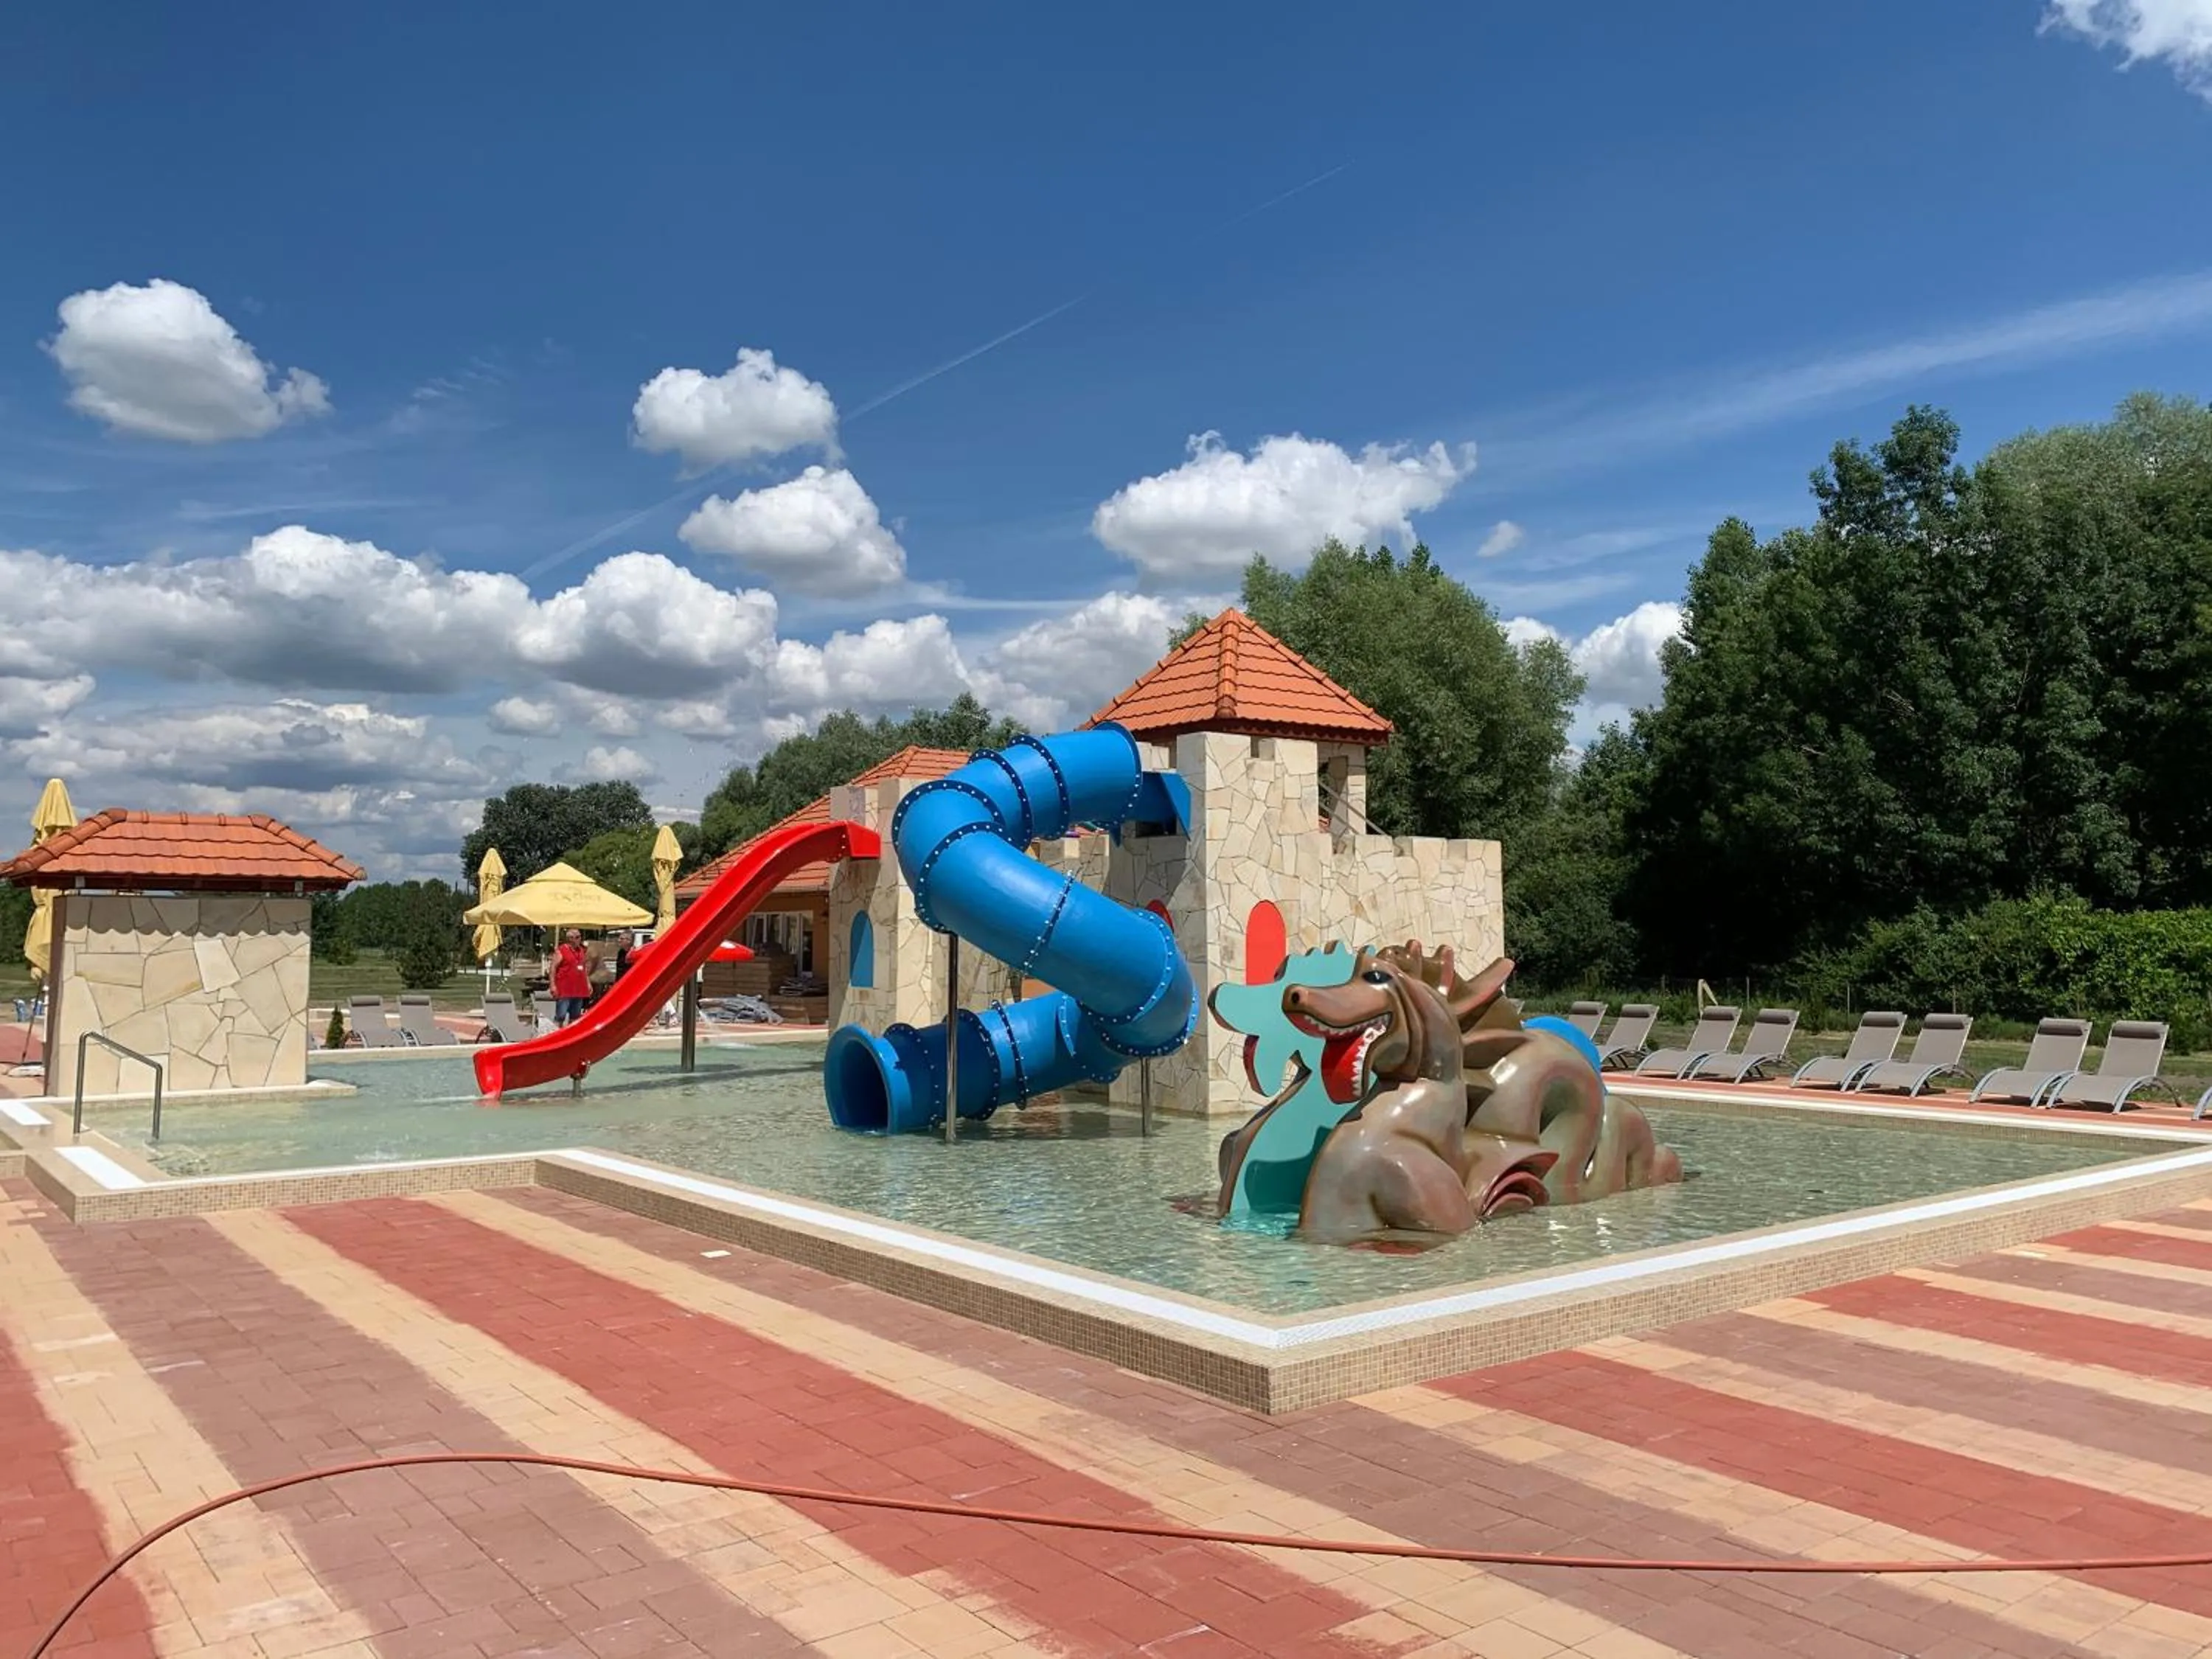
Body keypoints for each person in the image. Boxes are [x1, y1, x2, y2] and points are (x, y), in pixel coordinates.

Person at [552, 928, 592, 1026]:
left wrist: (588, 983)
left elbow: (584, 969)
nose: (579, 939)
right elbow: (553, 968)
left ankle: (571, 1036)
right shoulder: (561, 950)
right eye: (577, 937)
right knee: (561, 1015)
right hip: (565, 989)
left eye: (580, 937)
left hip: (579, 989)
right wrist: (553, 985)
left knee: (575, 1016)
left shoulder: (581, 951)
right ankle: (557, 1034)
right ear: (570, 939)